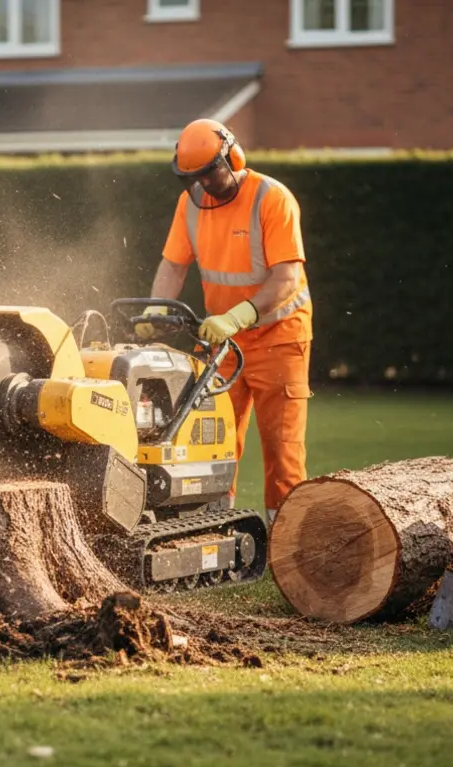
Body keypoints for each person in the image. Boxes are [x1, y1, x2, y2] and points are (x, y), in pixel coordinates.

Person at [136, 118, 313, 524]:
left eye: (210, 172)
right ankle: (212, 526)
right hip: (224, 343)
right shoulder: (191, 205)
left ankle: (287, 540)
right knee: (211, 440)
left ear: (232, 156)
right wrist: (156, 309)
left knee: (281, 447)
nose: (206, 183)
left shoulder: (272, 198)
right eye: (194, 177)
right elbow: (173, 266)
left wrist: (240, 315)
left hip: (279, 338)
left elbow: (286, 277)